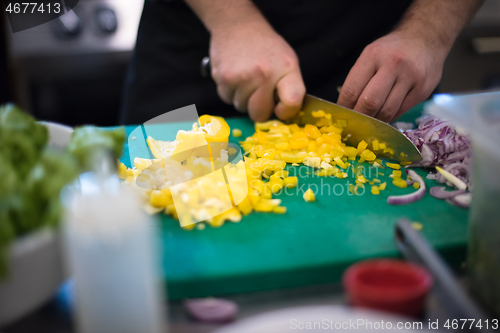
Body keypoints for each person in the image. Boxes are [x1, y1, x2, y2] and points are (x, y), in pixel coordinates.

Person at [121, 0, 484, 125]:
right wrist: (232, 20)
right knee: (170, 236)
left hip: (391, 69)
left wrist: (429, 34)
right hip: (198, 57)